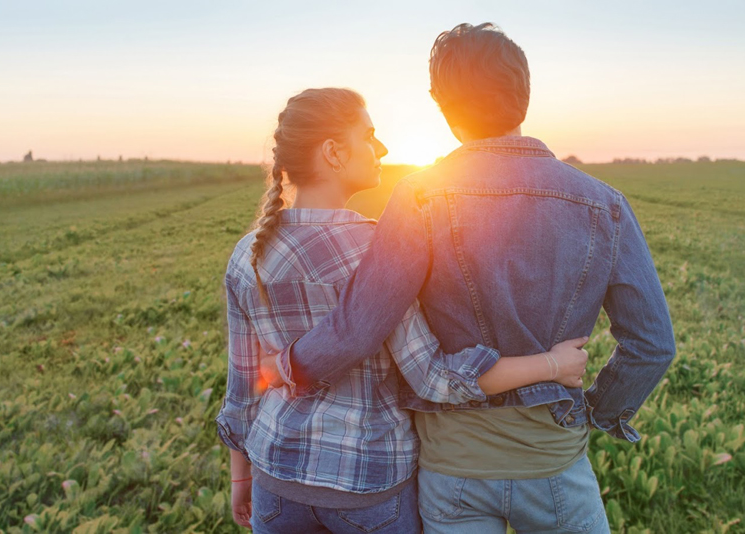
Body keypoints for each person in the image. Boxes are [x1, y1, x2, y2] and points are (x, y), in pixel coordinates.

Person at [263, 24, 675, 533]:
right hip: (554, 462)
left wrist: (286, 365)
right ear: (524, 94)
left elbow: (359, 326)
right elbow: (652, 345)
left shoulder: (420, 195)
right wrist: (595, 413)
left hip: (451, 469)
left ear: (441, 105)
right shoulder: (604, 203)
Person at [216, 87, 590, 533]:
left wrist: (241, 476)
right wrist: (550, 364)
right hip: (370, 484)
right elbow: (432, 378)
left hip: (275, 479)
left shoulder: (247, 255)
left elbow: (242, 389)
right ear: (333, 152)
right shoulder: (380, 250)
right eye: (369, 135)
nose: (382, 148)